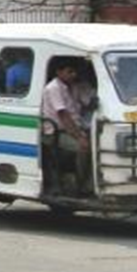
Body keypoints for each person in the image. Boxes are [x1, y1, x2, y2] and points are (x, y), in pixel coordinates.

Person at [40, 59, 90, 194]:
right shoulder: (54, 88)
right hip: (56, 132)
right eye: (69, 72)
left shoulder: (70, 87)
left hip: (72, 129)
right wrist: (79, 137)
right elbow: (63, 116)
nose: (73, 75)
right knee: (83, 148)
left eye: (74, 72)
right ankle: (81, 185)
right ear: (59, 72)